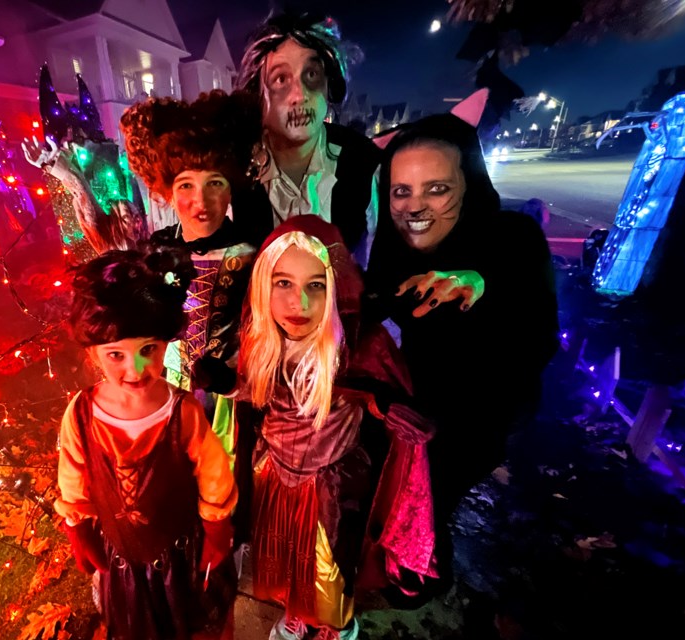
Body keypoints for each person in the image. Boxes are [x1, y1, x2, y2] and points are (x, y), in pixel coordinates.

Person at [366, 107, 560, 602]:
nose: (414, 206)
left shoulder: (512, 239)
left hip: (484, 410)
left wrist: (480, 287)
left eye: (437, 188)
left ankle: (426, 563)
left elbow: (535, 334)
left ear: (468, 185)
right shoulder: (394, 250)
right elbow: (374, 310)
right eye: (401, 190)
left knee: (435, 492)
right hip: (416, 397)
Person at [240, 215, 437, 640]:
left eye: (316, 284)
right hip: (275, 471)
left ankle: (335, 623)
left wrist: (385, 404)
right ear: (263, 286)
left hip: (330, 484)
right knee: (285, 552)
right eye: (283, 283)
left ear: (337, 286)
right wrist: (223, 383)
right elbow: (249, 390)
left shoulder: (357, 347)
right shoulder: (262, 342)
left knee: (328, 561)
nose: (299, 304)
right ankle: (296, 609)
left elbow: (381, 394)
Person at [54, 245, 238, 640]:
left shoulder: (182, 411)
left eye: (148, 350)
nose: (135, 369)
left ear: (165, 345)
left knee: (197, 623)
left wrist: (217, 524)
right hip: (125, 559)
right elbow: (72, 474)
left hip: (181, 552)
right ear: (93, 353)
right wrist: (78, 525)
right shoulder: (81, 414)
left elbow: (213, 471)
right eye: (116, 354)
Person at [119, 90, 260, 457]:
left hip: (233, 401)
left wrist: (231, 381)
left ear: (231, 191)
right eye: (186, 185)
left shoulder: (252, 254)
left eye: (215, 182)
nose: (201, 201)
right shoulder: (156, 250)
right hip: (166, 395)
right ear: (167, 190)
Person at [234, 12, 382, 268]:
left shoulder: (362, 160)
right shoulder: (234, 169)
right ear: (256, 93)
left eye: (312, 75)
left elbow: (385, 261)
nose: (300, 95)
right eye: (281, 79)